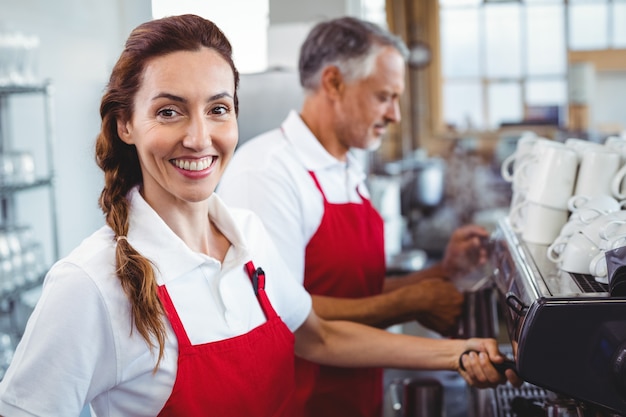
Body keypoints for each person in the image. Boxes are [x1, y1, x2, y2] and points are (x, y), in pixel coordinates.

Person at [0, 14, 518, 417]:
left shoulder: (246, 236)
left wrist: (458, 352)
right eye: (168, 111)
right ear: (125, 125)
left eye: (218, 109)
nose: (199, 137)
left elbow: (317, 335)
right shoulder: (89, 284)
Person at [218, 16, 497, 417]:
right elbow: (284, 317)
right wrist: (409, 304)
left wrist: (444, 271)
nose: (395, 114)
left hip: (354, 395)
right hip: (296, 402)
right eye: (384, 96)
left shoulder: (349, 167)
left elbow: (355, 287)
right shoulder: (267, 173)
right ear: (333, 83)